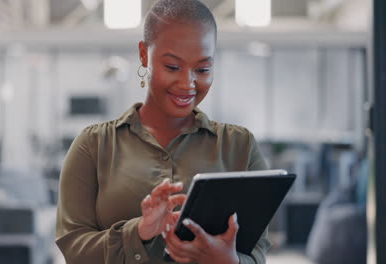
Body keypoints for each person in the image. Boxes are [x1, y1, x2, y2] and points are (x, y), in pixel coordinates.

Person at [55, 0, 271, 263]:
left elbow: (257, 251)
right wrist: (140, 232)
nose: (187, 83)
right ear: (144, 54)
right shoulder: (93, 145)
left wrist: (229, 261)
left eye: (202, 69)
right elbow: (73, 249)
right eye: (172, 67)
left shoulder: (240, 146)